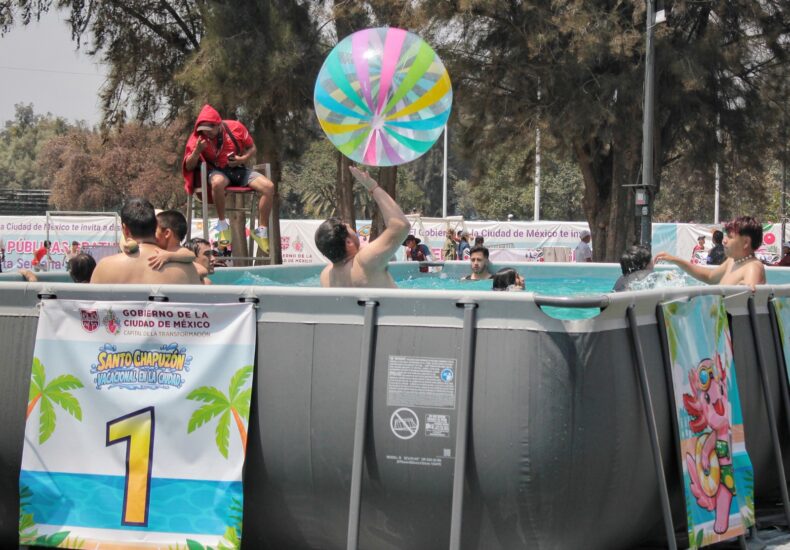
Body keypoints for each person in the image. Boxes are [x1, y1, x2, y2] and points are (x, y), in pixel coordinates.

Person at [182, 104, 275, 254]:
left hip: (238, 169)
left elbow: (252, 148)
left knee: (269, 187)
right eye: (203, 129)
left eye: (209, 129)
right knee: (217, 182)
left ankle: (261, 231)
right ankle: (223, 226)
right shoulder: (198, 138)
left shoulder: (236, 127)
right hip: (216, 171)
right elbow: (188, 166)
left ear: (218, 124)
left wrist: (242, 159)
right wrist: (197, 151)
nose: (207, 133)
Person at [315, 166, 410, 288]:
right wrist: (373, 187)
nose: (351, 228)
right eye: (349, 228)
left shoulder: (326, 276)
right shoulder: (365, 262)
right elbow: (400, 225)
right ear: (348, 242)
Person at [90, 198, 201, 285]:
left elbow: (90, 306)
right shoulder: (188, 270)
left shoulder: (104, 267)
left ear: (125, 230)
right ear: (155, 226)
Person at [654, 216, 766, 289]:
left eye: (730, 237)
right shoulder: (732, 261)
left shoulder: (752, 267)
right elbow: (709, 277)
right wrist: (676, 260)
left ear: (746, 242)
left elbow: (752, 302)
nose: (724, 240)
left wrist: (747, 290)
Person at [146, 210, 212, 280]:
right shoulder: (159, 250)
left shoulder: (179, 251)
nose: (151, 234)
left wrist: (169, 256)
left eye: (154, 231)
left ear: (167, 233)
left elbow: (193, 257)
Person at [19, 252, 96, 283]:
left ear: (72, 274)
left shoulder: (68, 291)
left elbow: (35, 290)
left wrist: (29, 275)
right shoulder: (98, 291)